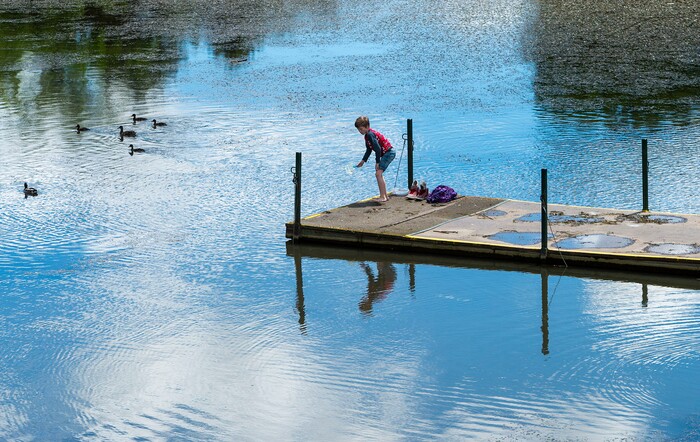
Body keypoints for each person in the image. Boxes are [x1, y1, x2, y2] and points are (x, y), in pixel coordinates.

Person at [355, 116, 396, 202]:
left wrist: (377, 162)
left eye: (361, 129)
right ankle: (384, 196)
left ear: (367, 126)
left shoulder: (370, 134)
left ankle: (383, 197)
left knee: (378, 174)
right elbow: (369, 149)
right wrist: (363, 161)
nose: (360, 131)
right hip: (386, 153)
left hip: (388, 153)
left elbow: (377, 149)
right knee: (379, 174)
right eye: (359, 130)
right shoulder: (367, 136)